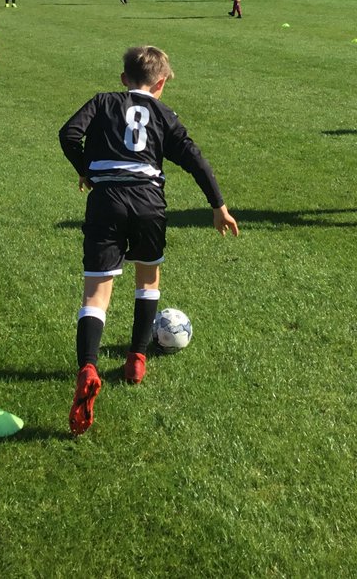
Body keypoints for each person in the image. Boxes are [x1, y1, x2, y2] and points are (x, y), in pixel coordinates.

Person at [58, 45, 239, 435]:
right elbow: (196, 159)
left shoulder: (103, 101)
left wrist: (88, 170)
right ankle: (136, 358)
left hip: (106, 200)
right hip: (147, 201)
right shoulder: (163, 114)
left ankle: (88, 366)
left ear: (124, 79)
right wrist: (218, 205)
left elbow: (68, 134)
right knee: (147, 282)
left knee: (95, 294)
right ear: (161, 84)